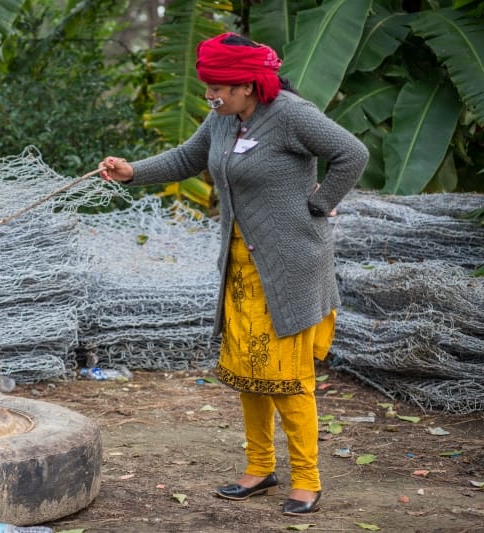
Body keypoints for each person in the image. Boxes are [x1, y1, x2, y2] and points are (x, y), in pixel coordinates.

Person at [99, 32, 368, 515]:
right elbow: (187, 157)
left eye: (217, 87)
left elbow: (353, 153)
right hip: (241, 270)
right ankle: (260, 466)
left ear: (248, 85)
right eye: (207, 86)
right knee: (249, 373)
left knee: (288, 379)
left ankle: (307, 479)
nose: (210, 95)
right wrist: (131, 171)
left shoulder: (291, 114)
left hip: (289, 269)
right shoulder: (223, 117)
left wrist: (321, 203)